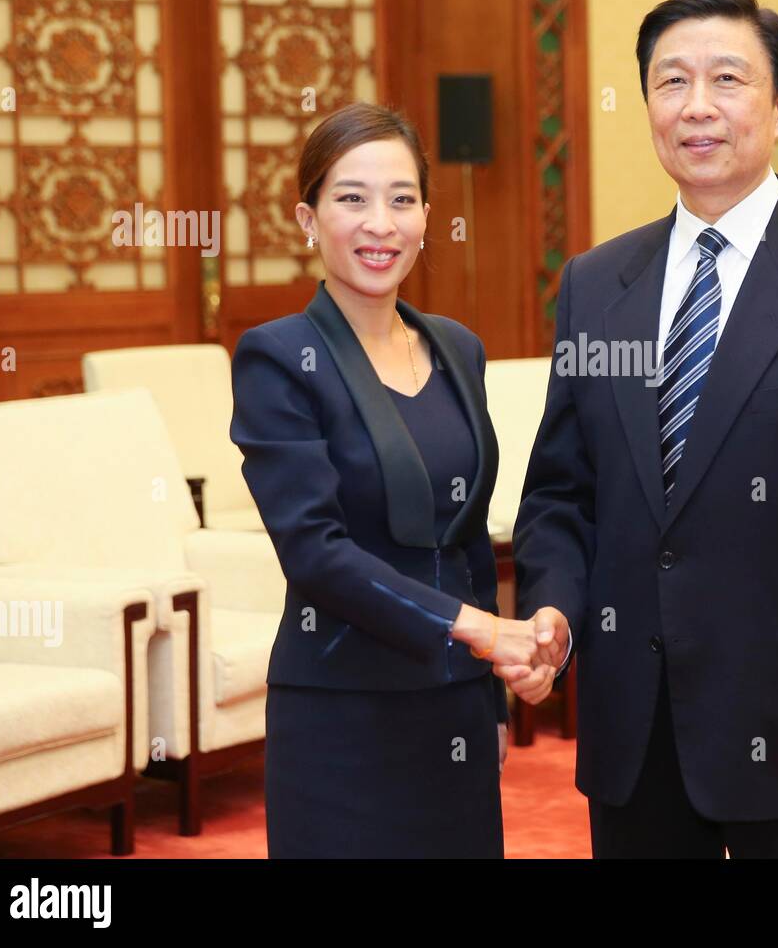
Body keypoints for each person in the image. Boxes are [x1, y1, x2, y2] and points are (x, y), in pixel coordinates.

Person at [500, 0, 778, 858]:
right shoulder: (596, 284)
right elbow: (563, 489)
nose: (697, 107)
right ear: (648, 105)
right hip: (633, 723)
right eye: (672, 82)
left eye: (727, 79)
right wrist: (554, 607)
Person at [230, 102, 547, 858]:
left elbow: (467, 531)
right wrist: (477, 628)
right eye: (352, 198)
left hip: (456, 711)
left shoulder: (457, 347)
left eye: (402, 199)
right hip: (341, 713)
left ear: (428, 216)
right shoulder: (277, 357)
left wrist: (491, 694)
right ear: (309, 218)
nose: (381, 223)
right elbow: (316, 554)